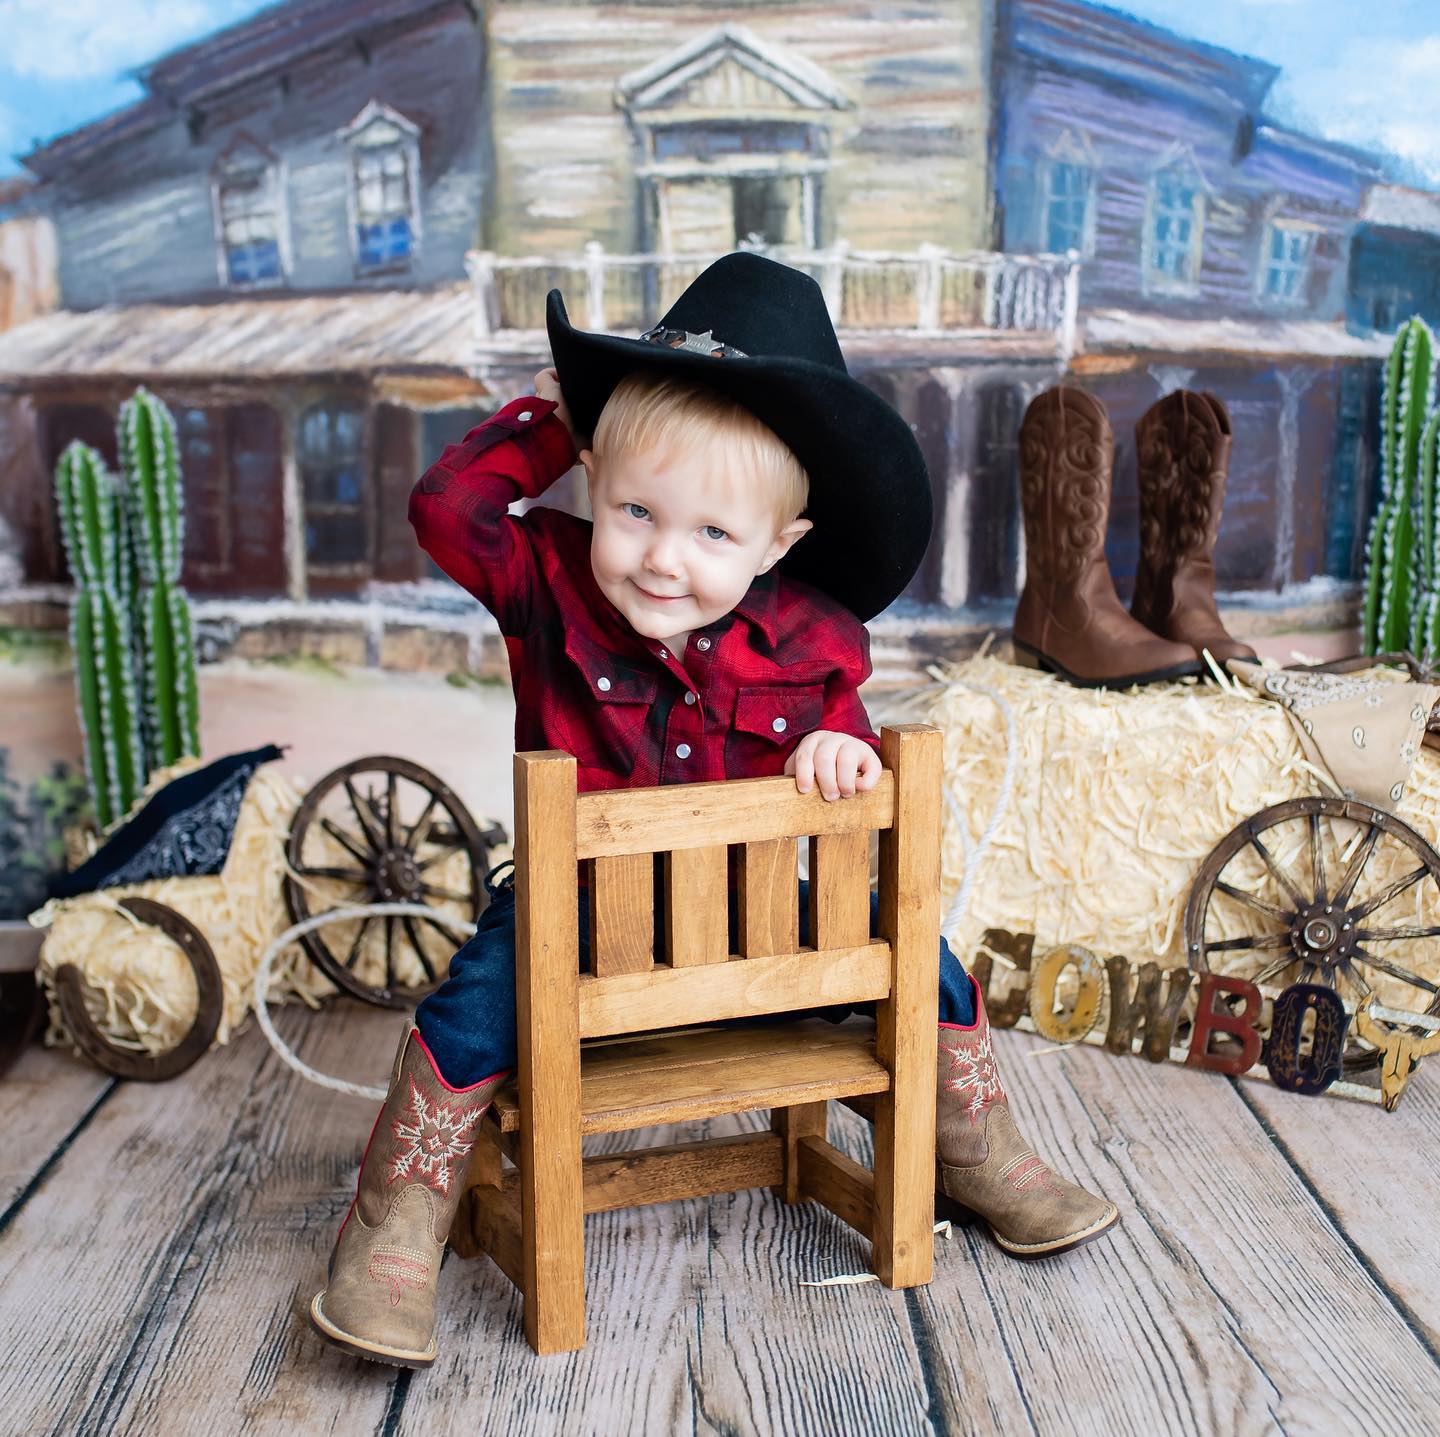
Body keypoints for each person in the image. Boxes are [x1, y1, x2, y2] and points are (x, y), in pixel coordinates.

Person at [309, 252, 1118, 1369]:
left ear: (778, 545)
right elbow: (448, 508)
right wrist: (554, 421)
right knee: (476, 1003)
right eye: (635, 510)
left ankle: (978, 1147)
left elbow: (847, 733)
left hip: (754, 912)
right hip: (574, 913)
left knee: (912, 950)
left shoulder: (812, 633)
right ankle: (398, 1218)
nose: (662, 559)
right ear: (591, 482)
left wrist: (843, 750)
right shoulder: (548, 583)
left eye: (713, 536)